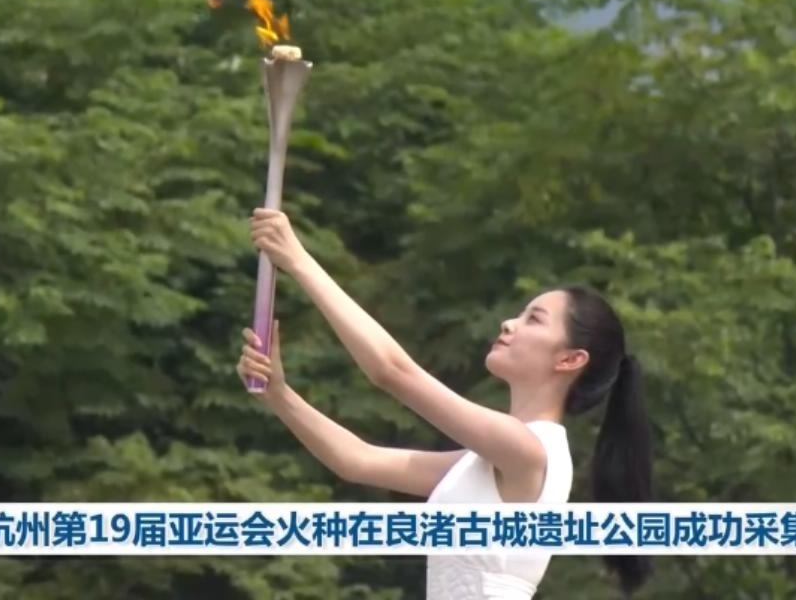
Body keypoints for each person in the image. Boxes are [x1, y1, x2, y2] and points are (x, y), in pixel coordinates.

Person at [237, 208, 655, 599]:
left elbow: (390, 371)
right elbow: (357, 460)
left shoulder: (529, 451)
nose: (509, 323)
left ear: (570, 360)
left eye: (534, 319)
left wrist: (298, 260)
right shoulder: (496, 459)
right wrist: (280, 394)